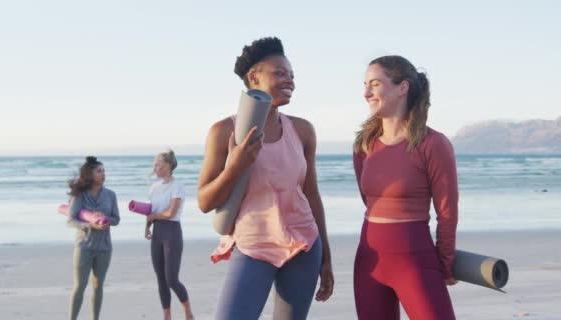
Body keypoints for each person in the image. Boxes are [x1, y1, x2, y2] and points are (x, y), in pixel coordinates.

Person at [197, 36, 334, 320]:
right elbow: (204, 201)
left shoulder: (303, 130)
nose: (290, 81)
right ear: (254, 77)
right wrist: (235, 165)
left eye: (292, 76)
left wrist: (326, 257)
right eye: (280, 73)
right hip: (252, 245)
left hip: (304, 245)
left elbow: (311, 194)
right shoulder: (223, 132)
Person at [352, 55, 458, 319]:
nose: (366, 93)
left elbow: (446, 213)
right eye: (365, 85)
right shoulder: (363, 145)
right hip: (369, 262)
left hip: (415, 262)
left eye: (375, 84)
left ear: (403, 87)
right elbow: (370, 201)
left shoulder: (433, 144)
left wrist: (445, 263)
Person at [67, 156, 120, 320]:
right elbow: (71, 220)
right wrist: (90, 225)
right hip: (84, 246)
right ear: (90, 175)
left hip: (104, 247)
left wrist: (106, 219)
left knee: (98, 286)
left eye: (104, 171)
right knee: (80, 286)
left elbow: (116, 219)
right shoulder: (80, 195)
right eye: (99, 171)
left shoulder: (111, 195)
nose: (103, 174)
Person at [144, 150, 194, 320]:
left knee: (171, 278)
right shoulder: (154, 188)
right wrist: (147, 227)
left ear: (169, 166)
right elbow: (151, 211)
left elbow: (171, 212)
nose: (155, 167)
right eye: (155, 164)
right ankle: (167, 315)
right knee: (161, 279)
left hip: (172, 232)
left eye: (159, 164)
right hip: (157, 233)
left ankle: (188, 311)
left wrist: (153, 217)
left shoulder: (177, 186)